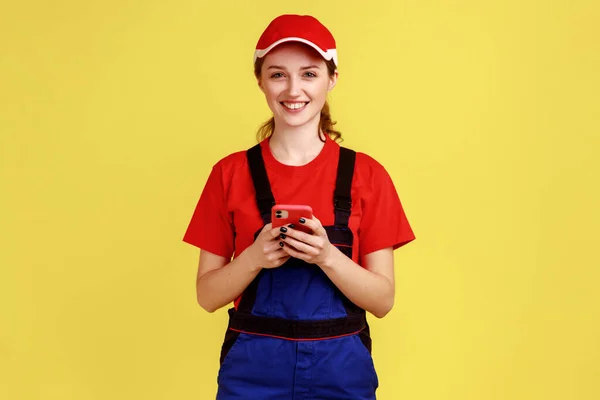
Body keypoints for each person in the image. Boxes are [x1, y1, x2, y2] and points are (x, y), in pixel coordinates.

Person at [183, 14, 415, 400]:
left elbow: (382, 301)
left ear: (332, 78)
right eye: (278, 74)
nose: (293, 89)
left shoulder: (367, 175)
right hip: (251, 375)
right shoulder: (229, 174)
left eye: (309, 73)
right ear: (260, 81)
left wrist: (327, 256)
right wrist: (254, 257)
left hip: (341, 375)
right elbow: (207, 296)